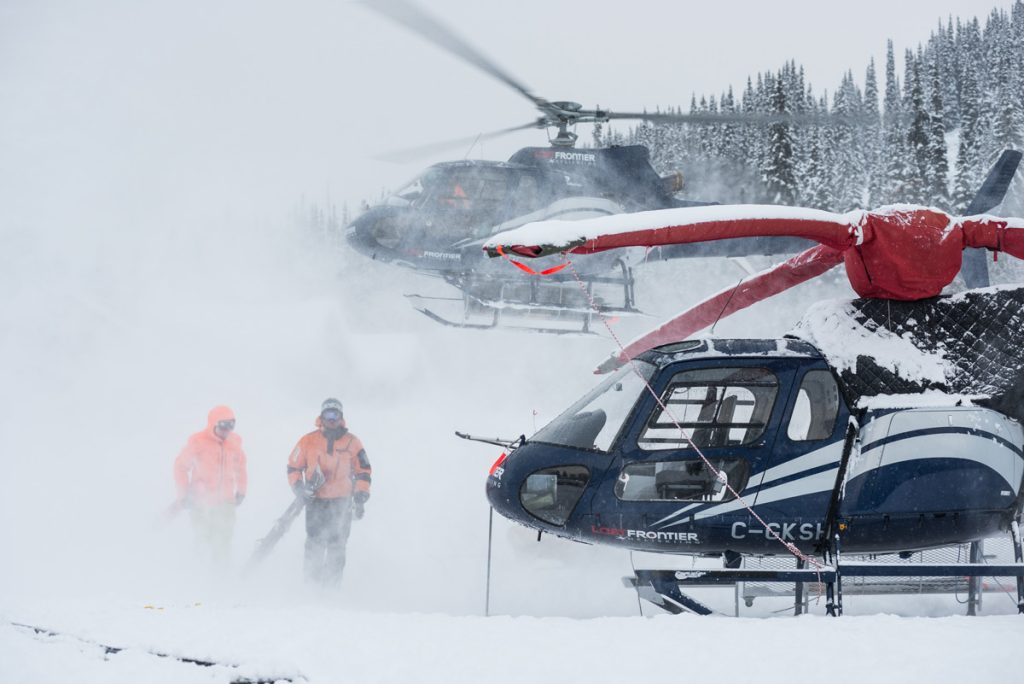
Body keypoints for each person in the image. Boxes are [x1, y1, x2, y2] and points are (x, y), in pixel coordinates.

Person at [286, 398, 371, 586]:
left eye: (335, 415)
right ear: (321, 416)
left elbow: (363, 470)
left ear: (341, 417)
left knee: (337, 546)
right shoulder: (308, 440)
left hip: (342, 503)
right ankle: (311, 587)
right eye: (328, 414)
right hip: (316, 501)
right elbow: (293, 467)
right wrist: (298, 488)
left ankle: (331, 590)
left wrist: (361, 494)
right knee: (314, 544)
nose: (331, 419)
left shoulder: (352, 442)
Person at [173, 405, 247, 564]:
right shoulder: (198, 442)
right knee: (204, 538)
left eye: (231, 425)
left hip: (226, 500)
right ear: (213, 424)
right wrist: (184, 495)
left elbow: (240, 468)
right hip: (201, 500)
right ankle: (199, 573)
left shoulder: (234, 443)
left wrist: (241, 490)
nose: (227, 430)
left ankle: (220, 576)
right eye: (223, 425)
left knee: (224, 539)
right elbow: (180, 467)